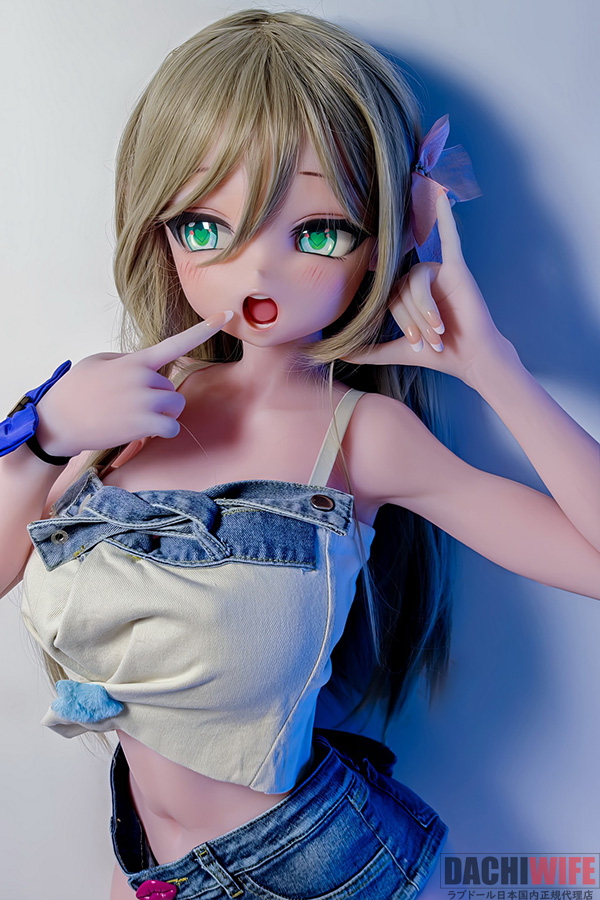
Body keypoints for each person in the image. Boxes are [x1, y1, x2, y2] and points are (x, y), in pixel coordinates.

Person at [1, 9, 599, 900]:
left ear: (383, 239)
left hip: (304, 867)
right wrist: (41, 438)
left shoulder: (358, 436)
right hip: (152, 865)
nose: (257, 276)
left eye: (318, 232)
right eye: (205, 227)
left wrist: (493, 367)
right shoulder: (120, 403)